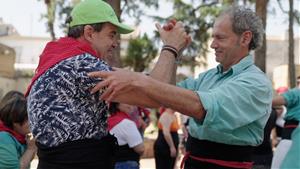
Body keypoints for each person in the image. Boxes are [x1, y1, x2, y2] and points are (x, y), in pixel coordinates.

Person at [88, 5, 273, 169]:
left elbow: (199, 106)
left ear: (245, 38)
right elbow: (164, 93)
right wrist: (172, 50)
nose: (212, 45)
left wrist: (137, 79)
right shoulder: (209, 77)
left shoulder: (255, 82)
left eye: (220, 38)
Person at [25, 0, 188, 168]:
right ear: (89, 33)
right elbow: (155, 96)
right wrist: (171, 47)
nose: (115, 43)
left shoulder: (61, 60)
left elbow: (162, 92)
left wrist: (173, 55)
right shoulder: (81, 64)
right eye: (111, 34)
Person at [0, 90, 37, 169]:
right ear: (15, 122)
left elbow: (27, 161)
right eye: (27, 119)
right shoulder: (4, 139)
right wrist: (30, 149)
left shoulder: (19, 137)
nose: (32, 121)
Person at [108, 102, 144, 169]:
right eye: (126, 102)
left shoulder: (108, 121)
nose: (131, 106)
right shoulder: (127, 123)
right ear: (117, 104)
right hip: (127, 164)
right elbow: (140, 149)